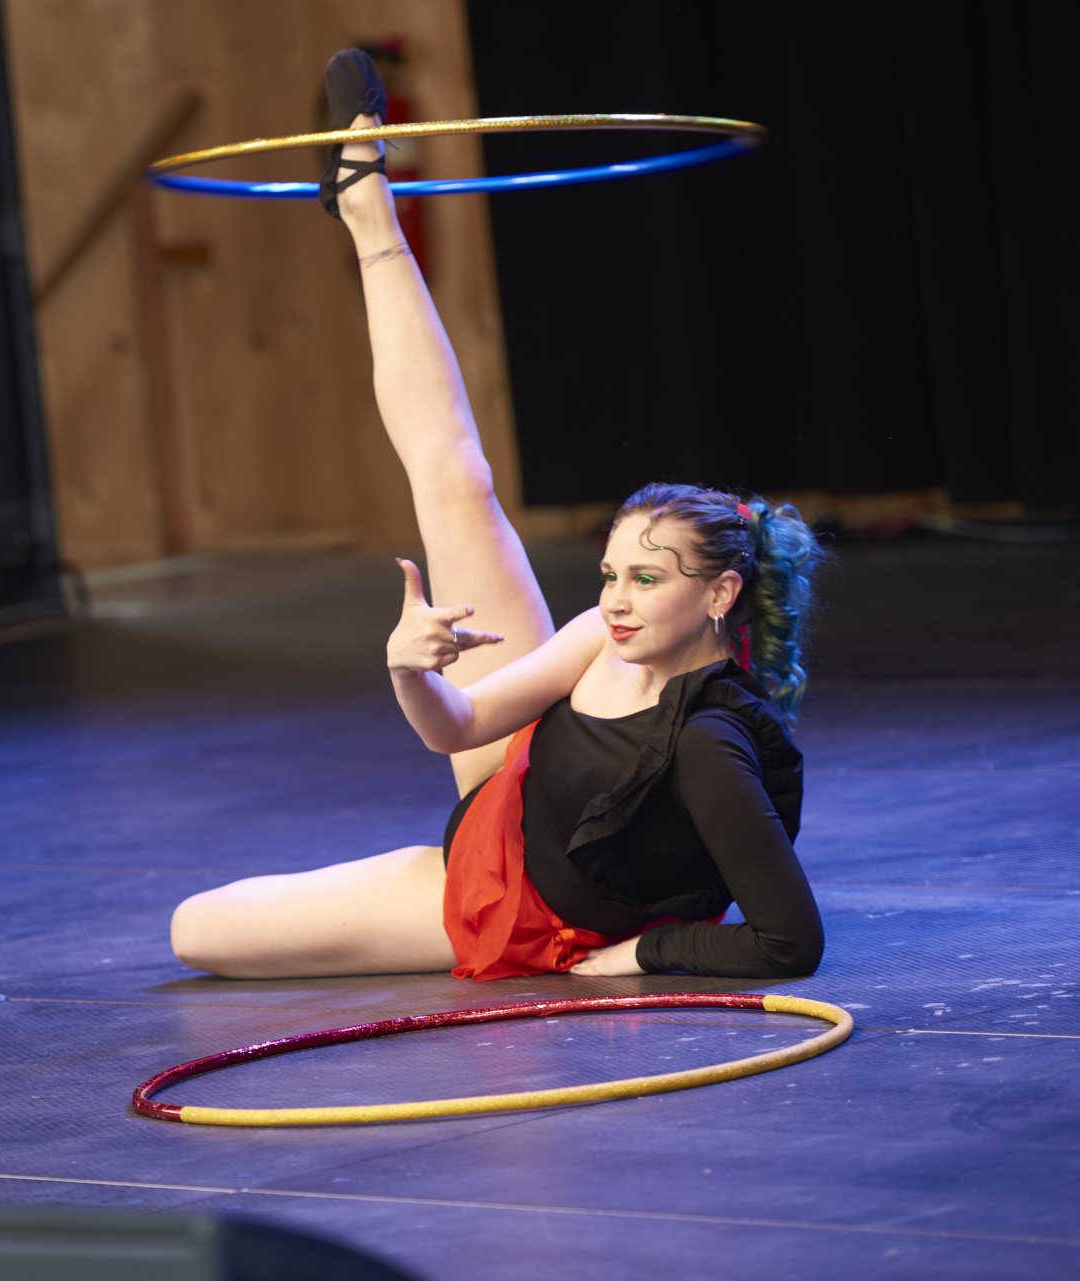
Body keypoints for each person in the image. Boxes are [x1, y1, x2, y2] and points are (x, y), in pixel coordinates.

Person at [170, 50, 828, 983]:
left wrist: (641, 952)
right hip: (507, 781)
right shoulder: (607, 634)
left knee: (195, 929)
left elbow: (789, 941)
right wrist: (410, 670)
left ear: (720, 592)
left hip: (495, 900)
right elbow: (462, 726)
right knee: (458, 480)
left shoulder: (709, 745)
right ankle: (368, 212)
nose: (616, 598)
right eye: (610, 572)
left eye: (646, 578)